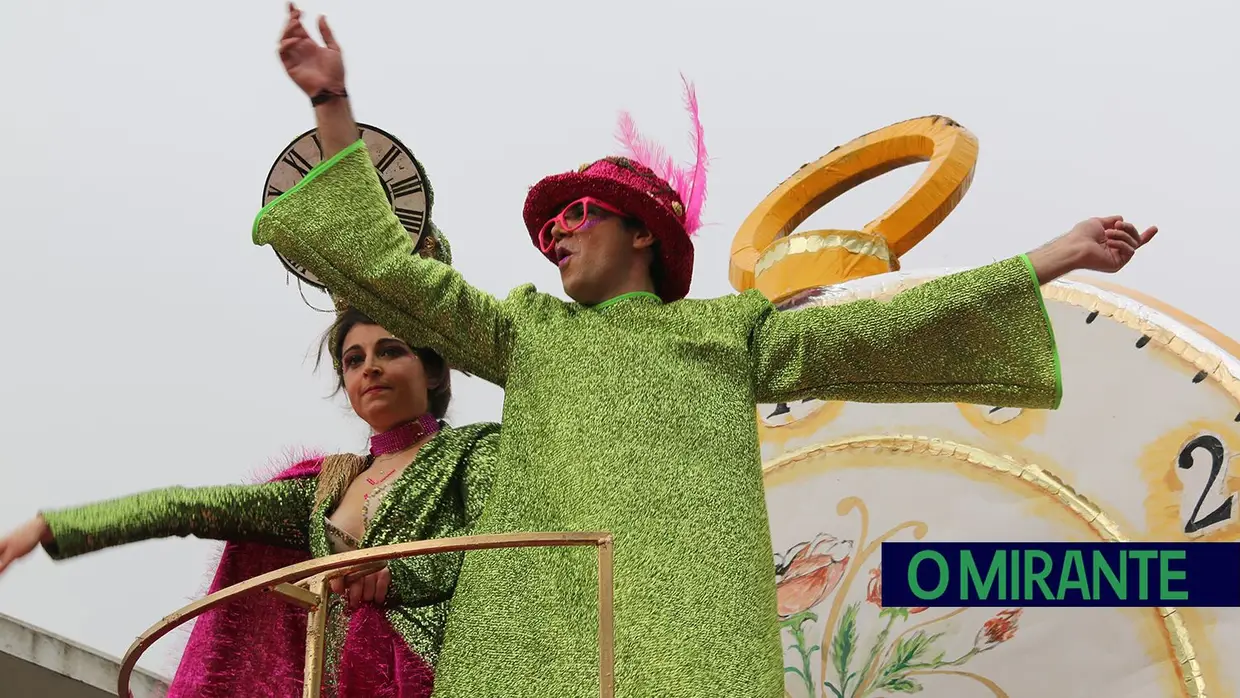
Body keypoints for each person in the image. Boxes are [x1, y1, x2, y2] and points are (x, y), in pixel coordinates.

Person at [255, 6, 1159, 696]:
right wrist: (332, 103)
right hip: (534, 636)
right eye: (548, 229)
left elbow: (879, 327)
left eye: (576, 216)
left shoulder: (727, 332)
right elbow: (392, 270)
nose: (557, 238)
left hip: (698, 633)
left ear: (642, 233)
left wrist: (1059, 255)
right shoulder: (529, 331)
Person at [0, 226, 500, 698]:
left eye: (390, 351)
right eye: (353, 359)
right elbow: (189, 509)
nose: (369, 367)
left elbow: (501, 557)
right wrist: (53, 526)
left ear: (434, 371)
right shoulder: (326, 487)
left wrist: (405, 577)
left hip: (430, 676)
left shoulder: (475, 453)